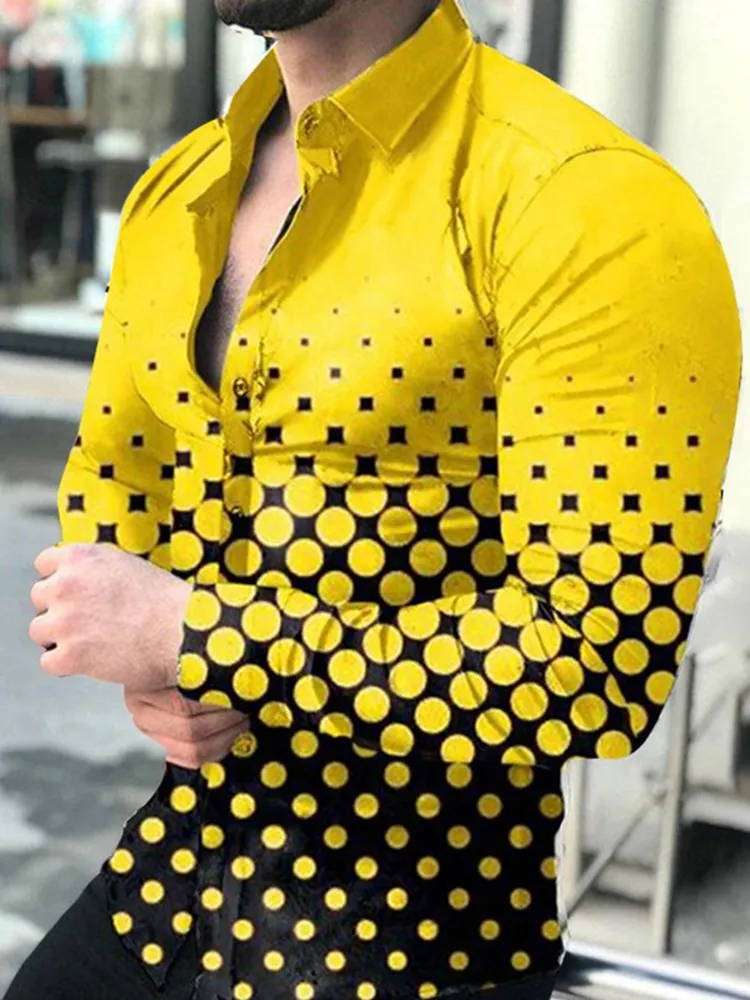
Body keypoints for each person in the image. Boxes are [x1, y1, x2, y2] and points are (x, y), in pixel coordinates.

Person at [7, 0, 742, 997]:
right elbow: (119, 465)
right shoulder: (178, 189)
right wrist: (155, 667)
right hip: (171, 887)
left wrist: (198, 636)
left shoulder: (585, 201)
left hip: (423, 944)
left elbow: (598, 661)